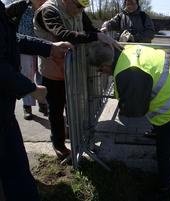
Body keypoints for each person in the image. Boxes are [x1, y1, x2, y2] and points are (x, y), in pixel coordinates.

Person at [89, 42, 170, 201]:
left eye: (100, 70)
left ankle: (163, 191)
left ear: (106, 64)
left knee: (165, 149)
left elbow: (135, 110)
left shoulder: (128, 73)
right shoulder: (129, 50)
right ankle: (157, 131)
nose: (100, 74)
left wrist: (123, 106)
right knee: (158, 115)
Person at [0, 0, 74, 200]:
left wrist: (49, 47)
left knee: (16, 171)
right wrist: (31, 89)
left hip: (4, 112)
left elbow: (12, 39)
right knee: (16, 174)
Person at [33, 0, 124, 161]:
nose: (81, 10)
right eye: (78, 6)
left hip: (73, 68)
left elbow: (91, 29)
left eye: (84, 7)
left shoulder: (78, 10)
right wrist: (96, 36)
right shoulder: (49, 11)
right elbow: (61, 34)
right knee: (56, 109)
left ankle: (74, 136)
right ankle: (59, 143)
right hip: (53, 70)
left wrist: (104, 40)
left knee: (76, 104)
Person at [6, 0, 48, 120]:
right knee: (27, 76)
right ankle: (27, 107)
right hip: (23, 48)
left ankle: (43, 103)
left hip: (41, 47)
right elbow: (4, 15)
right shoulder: (21, 6)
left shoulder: (46, 9)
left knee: (42, 75)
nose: (41, 1)